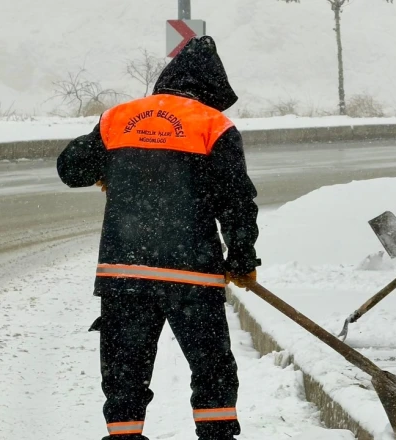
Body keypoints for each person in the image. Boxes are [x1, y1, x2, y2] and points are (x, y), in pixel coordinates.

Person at [57, 36, 259, 440]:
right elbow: (236, 200)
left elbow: (70, 169)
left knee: (125, 372)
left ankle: (124, 436)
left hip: (125, 273)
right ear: (212, 88)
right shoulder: (213, 124)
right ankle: (217, 436)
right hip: (192, 275)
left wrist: (109, 167)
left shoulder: (118, 118)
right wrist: (240, 259)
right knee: (211, 368)